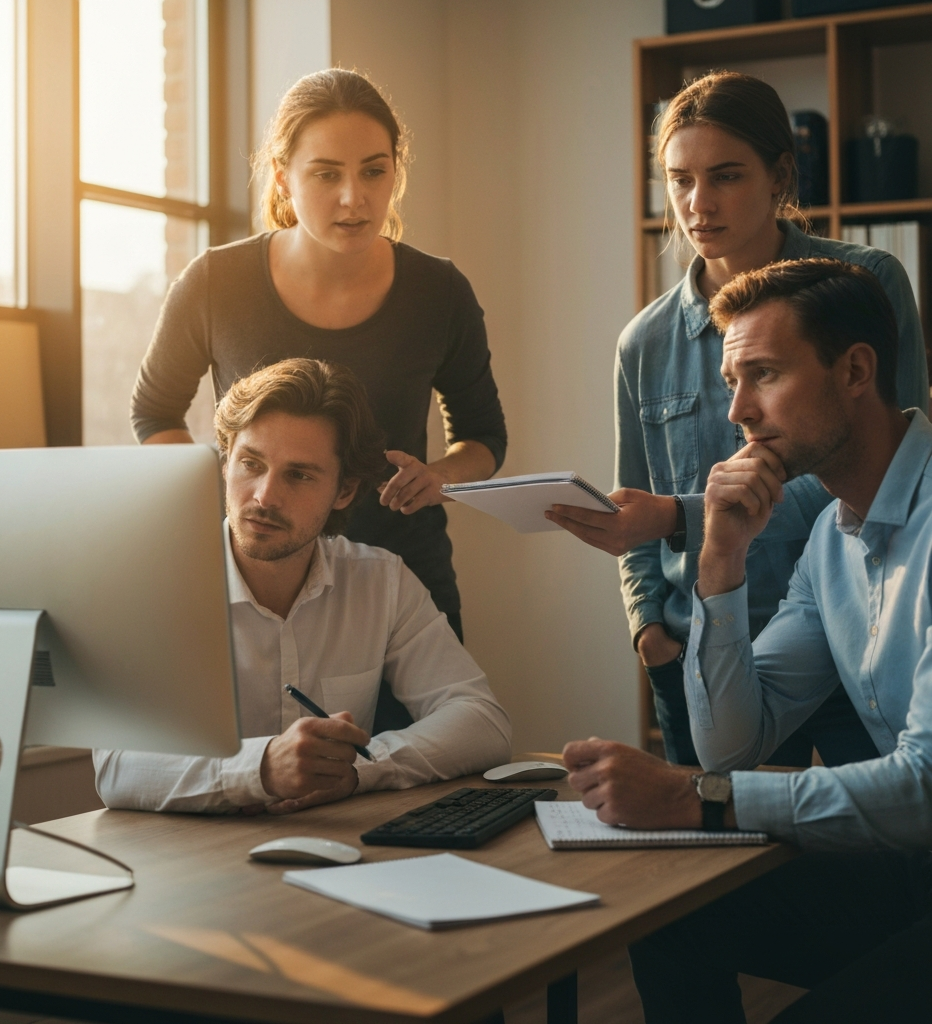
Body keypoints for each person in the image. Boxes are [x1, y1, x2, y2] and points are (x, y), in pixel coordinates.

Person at [563, 259, 932, 1022]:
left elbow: (922, 791)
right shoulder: (832, 538)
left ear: (856, 370)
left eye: (761, 374)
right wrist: (720, 559)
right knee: (670, 911)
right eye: (732, 380)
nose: (737, 411)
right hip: (914, 876)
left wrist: (693, 797)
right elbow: (731, 742)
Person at [546, 71, 927, 767]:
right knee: (715, 850)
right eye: (679, 180)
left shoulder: (859, 288)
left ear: (780, 176)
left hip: (850, 630)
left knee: (861, 845)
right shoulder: (644, 341)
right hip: (707, 643)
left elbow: (883, 463)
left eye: (724, 177)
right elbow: (632, 499)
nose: (698, 204)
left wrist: (677, 515)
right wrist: (649, 629)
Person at [130, 69, 507, 652]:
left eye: (374, 171)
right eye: (326, 174)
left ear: (395, 174)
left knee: (436, 740)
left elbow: (483, 438)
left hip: (405, 576)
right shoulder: (215, 282)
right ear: (282, 178)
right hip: (260, 581)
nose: (354, 197)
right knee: (267, 748)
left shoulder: (441, 291)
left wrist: (439, 477)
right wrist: (233, 491)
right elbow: (154, 414)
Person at [95, 359, 511, 814]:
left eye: (299, 475)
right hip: (192, 860)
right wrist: (261, 769)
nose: (264, 496)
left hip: (336, 848)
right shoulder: (157, 587)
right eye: (250, 463)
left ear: (345, 491)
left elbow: (481, 722)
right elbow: (115, 767)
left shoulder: (381, 582)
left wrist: (359, 771)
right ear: (225, 462)